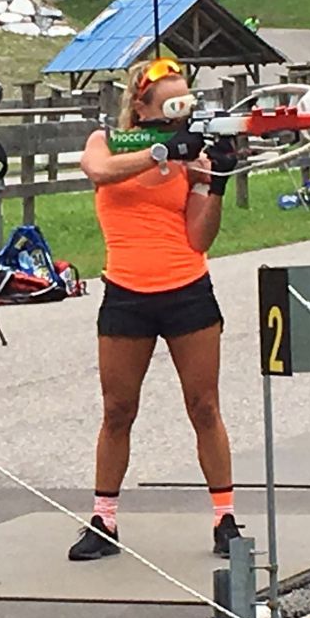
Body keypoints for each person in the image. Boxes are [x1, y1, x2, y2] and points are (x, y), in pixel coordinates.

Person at [68, 57, 243, 562]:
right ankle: (103, 520)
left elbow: (198, 235)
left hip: (186, 289)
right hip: (126, 292)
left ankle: (224, 517)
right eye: (168, 101)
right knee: (117, 410)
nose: (178, 111)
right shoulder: (108, 141)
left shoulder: (191, 154)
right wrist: (162, 151)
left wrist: (214, 183)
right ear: (140, 105)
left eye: (183, 100)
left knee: (204, 406)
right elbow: (98, 170)